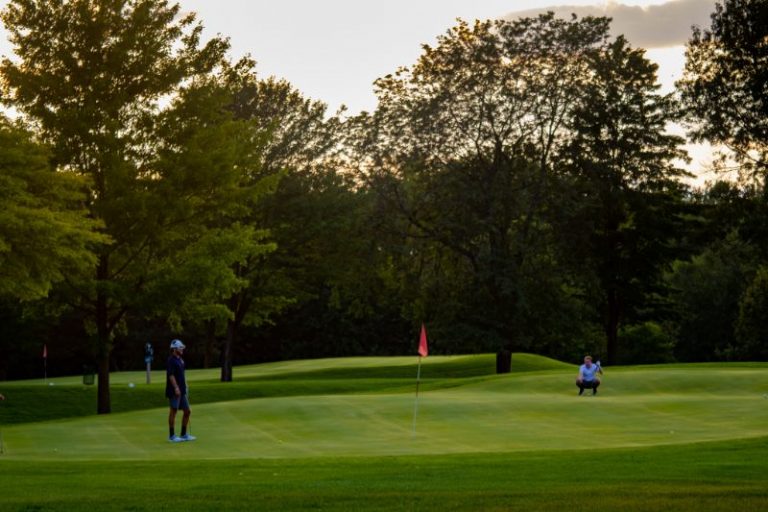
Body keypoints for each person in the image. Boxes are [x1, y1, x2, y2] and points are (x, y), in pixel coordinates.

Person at [166, 339, 196, 442]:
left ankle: (183, 434)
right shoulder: (171, 360)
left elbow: (182, 375)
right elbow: (171, 375)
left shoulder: (181, 360)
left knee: (187, 411)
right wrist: (176, 387)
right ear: (174, 349)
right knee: (173, 411)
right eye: (180, 348)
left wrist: (185, 385)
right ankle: (172, 436)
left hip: (182, 390)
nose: (182, 349)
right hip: (174, 391)